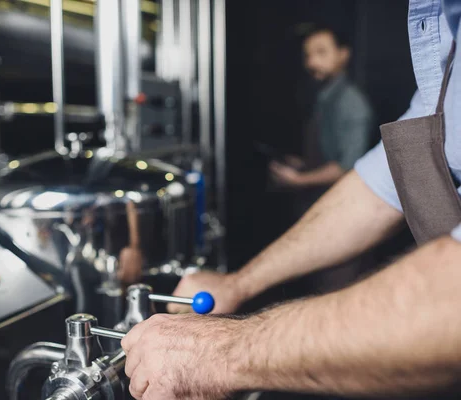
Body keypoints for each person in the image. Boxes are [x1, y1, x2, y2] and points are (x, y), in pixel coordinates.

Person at [120, 1, 461, 399]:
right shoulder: (447, 57)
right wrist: (238, 283)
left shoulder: (351, 100)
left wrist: (219, 352)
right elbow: (386, 177)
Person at [269, 24, 373, 190]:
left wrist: (298, 180)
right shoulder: (322, 96)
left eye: (321, 52)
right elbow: (329, 156)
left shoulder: (351, 102)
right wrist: (304, 164)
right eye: (307, 55)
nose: (311, 62)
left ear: (343, 54)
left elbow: (346, 167)